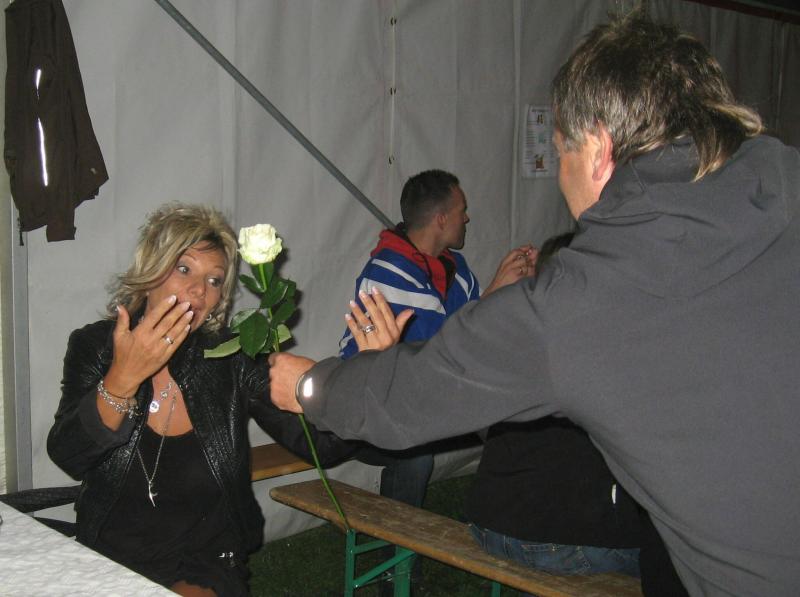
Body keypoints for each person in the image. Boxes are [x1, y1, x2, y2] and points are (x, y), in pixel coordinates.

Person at [269, 14, 800, 596]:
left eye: (560, 151)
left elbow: (427, 385)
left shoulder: (592, 291)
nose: (559, 174)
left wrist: (312, 385)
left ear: (597, 149)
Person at [47, 203, 359, 596]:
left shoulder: (230, 356)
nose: (200, 289)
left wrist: (360, 387)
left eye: (214, 280)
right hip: (108, 556)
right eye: (184, 269)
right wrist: (121, 381)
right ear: (150, 272)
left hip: (204, 558)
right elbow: (69, 455)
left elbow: (321, 446)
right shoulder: (96, 347)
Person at [341, 169, 535, 592]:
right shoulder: (387, 272)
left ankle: (513, 538)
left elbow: (475, 342)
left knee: (518, 423)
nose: (468, 218)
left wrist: (513, 292)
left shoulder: (455, 269)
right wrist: (493, 293)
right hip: (370, 408)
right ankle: (395, 571)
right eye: (462, 210)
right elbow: (423, 358)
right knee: (413, 455)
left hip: (432, 400)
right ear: (441, 219)